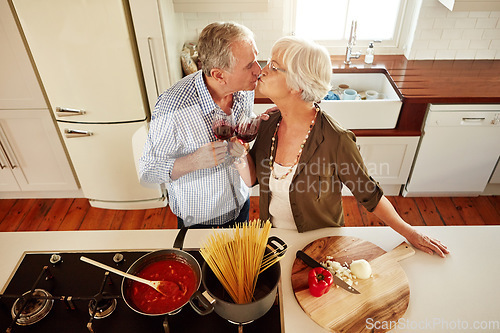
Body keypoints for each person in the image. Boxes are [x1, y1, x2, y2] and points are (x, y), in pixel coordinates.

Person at [233, 36, 449, 257]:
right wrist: (238, 149)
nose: (263, 70)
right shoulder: (269, 126)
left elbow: (370, 195)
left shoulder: (336, 140)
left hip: (319, 247)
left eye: (274, 67)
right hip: (274, 242)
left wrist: (411, 233)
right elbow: (253, 180)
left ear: (297, 85)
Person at [139, 22, 261, 228]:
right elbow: (148, 170)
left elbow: (243, 129)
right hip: (200, 220)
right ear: (219, 75)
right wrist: (193, 161)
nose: (259, 70)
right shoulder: (173, 108)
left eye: (256, 58)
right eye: (249, 65)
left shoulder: (245, 88)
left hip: (241, 205)